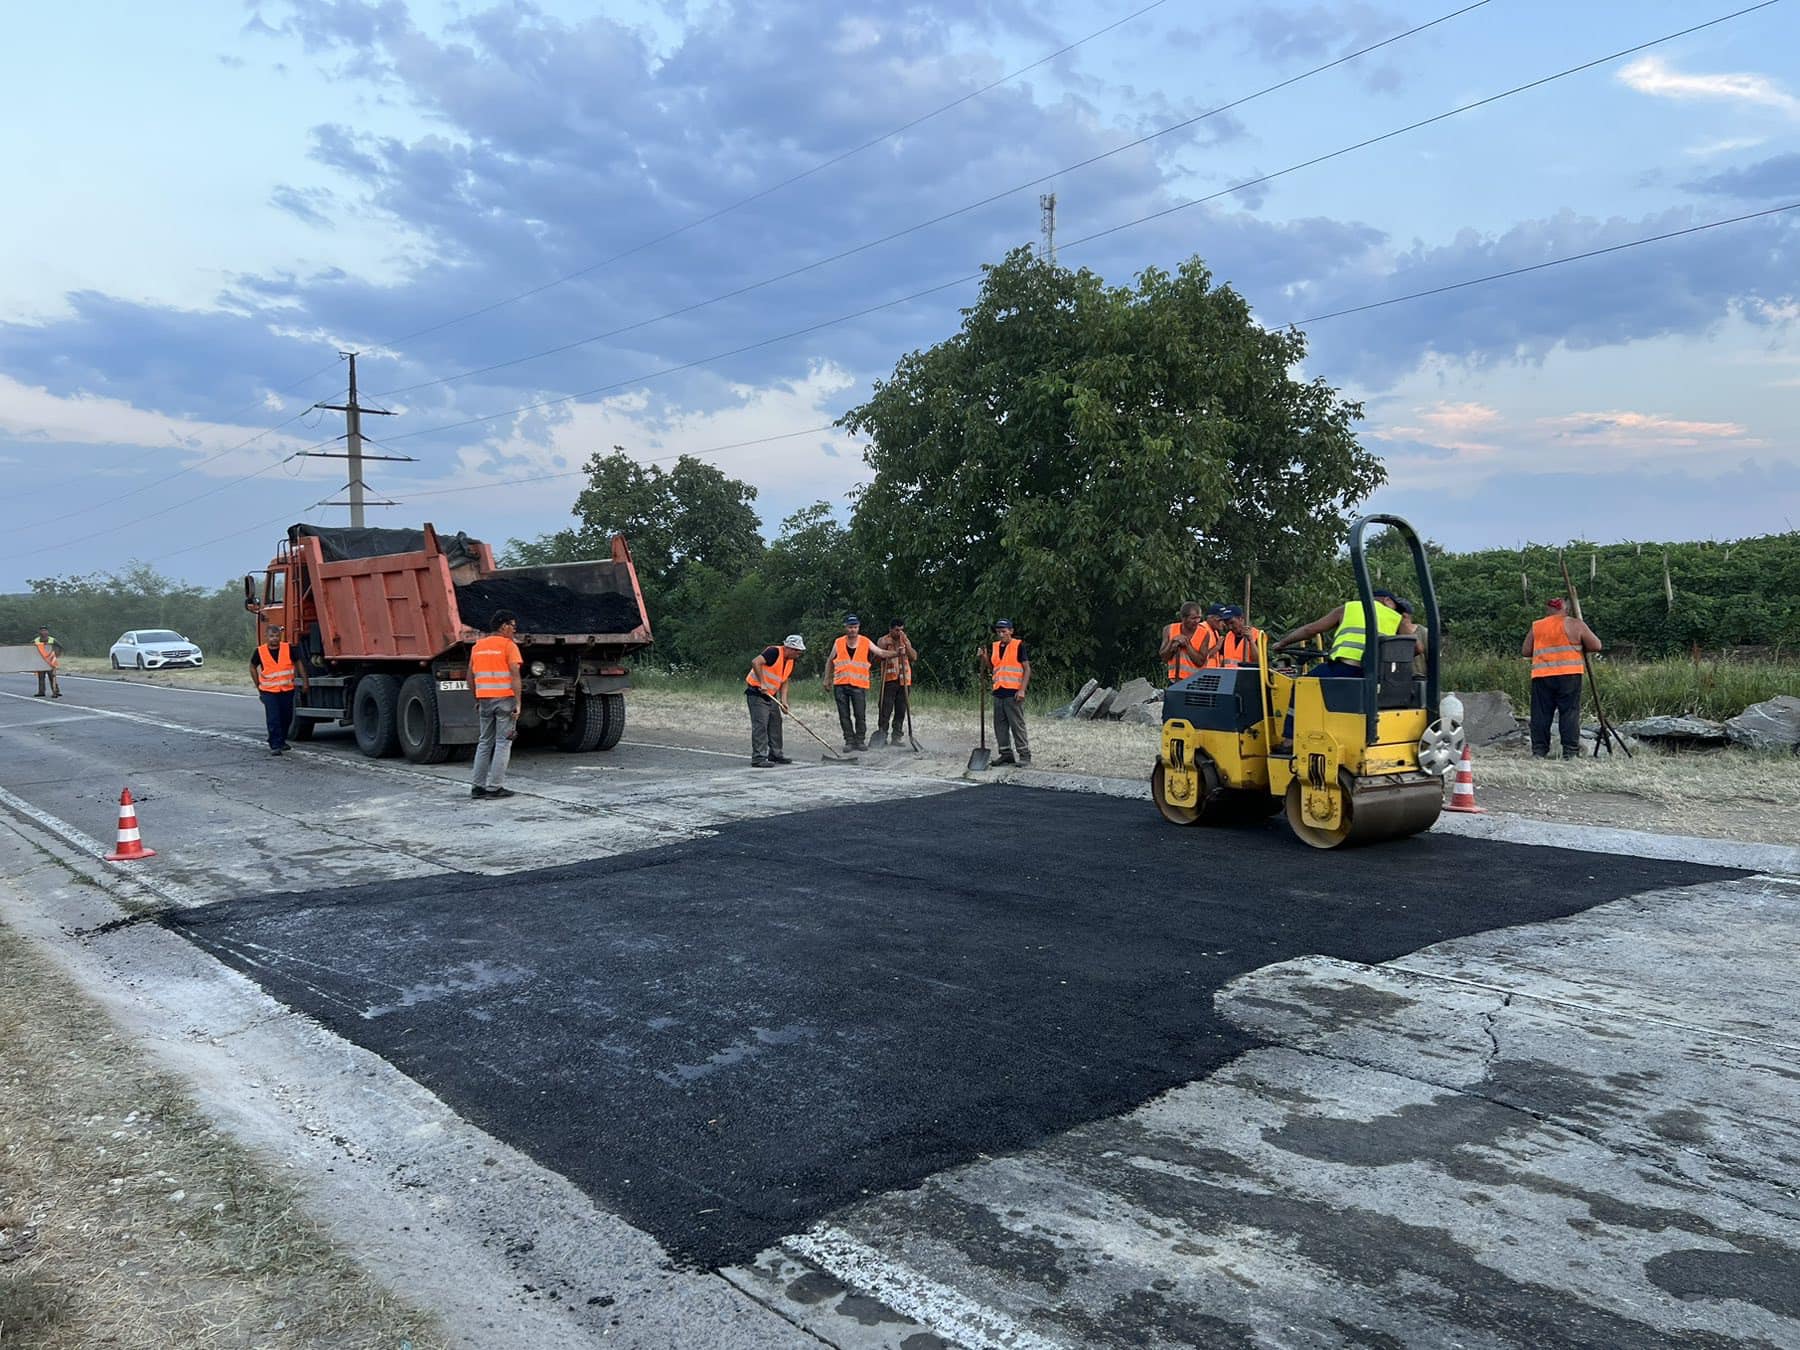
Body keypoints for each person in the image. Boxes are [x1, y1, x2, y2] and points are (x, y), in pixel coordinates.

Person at [1270, 588, 1409, 749]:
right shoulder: (1397, 619)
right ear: (1387, 600)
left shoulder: (1348, 608)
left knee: (1301, 686)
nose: (1395, 610)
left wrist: (1282, 643)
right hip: (1377, 676)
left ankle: (1289, 740)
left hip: (1345, 669)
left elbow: (1311, 630)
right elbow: (1417, 647)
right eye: (1395, 605)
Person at [1522, 597, 1601, 759]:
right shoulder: (1575, 624)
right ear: (1565, 609)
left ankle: (1539, 751)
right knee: (1569, 713)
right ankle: (1570, 752)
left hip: (1542, 675)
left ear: (1548, 609)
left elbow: (1526, 651)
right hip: (1569, 675)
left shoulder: (1537, 626)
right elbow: (1596, 645)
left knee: (1541, 714)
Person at [823, 614, 898, 752]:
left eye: (855, 627)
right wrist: (827, 679)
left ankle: (860, 740)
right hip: (840, 683)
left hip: (859, 684)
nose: (853, 630)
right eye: (850, 627)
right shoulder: (838, 642)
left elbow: (881, 652)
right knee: (844, 715)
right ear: (845, 627)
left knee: (860, 714)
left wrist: (896, 653)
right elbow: (830, 660)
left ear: (859, 627)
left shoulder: (865, 641)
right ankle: (849, 741)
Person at [470, 610, 524, 799]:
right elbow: (515, 675)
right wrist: (518, 702)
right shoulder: (509, 646)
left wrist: (476, 699)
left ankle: (477, 787)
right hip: (505, 701)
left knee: (484, 742)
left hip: (484, 700)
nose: (514, 630)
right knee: (503, 743)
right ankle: (495, 788)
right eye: (513, 626)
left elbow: (470, 675)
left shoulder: (478, 646)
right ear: (504, 626)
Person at [746, 634, 805, 767]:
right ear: (789, 648)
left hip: (772, 695)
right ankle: (759, 758)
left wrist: (784, 701)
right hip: (757, 693)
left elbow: (784, 681)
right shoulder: (773, 652)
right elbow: (756, 662)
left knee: (775, 723)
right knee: (761, 725)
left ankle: (776, 754)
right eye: (797, 651)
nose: (799, 654)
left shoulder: (790, 661)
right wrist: (762, 683)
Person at [981, 618, 1032, 767]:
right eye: (998, 632)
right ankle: (1006, 754)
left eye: (1004, 631)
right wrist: (984, 658)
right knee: (1000, 726)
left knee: (1017, 725)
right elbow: (994, 668)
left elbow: (1027, 668)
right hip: (998, 691)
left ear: (1011, 631)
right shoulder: (995, 647)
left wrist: (1022, 689)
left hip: (1013, 692)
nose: (1001, 634)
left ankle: (1024, 754)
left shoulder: (1018, 645)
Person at [250, 624, 303, 755]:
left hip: (286, 689)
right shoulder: (260, 651)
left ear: (280, 636)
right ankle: (275, 745)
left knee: (286, 717)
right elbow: (252, 666)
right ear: (266, 637)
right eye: (271, 636)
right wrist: (258, 684)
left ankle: (282, 740)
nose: (274, 638)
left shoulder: (288, 648)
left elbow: (298, 663)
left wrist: (304, 681)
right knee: (273, 718)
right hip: (268, 691)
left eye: (276, 636)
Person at [876, 619, 918, 747]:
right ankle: (882, 735)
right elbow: (877, 657)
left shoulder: (905, 640)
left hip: (904, 680)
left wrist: (907, 646)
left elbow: (914, 657)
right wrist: (890, 650)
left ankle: (897, 736)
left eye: (901, 629)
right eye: (897, 630)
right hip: (889, 680)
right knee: (885, 709)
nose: (899, 632)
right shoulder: (883, 640)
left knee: (901, 709)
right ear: (891, 629)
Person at [1158, 603, 1216, 684]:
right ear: (1183, 618)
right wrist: (1172, 643)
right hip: (1174, 681)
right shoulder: (1169, 629)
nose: (1197, 621)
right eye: (1193, 618)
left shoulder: (1204, 633)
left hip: (1196, 682)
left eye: (1199, 618)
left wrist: (1187, 644)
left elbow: (1200, 662)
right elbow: (1164, 657)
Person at [32, 626, 62, 699]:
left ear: (47, 632)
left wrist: (57, 655)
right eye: (42, 630)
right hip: (40, 662)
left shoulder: (52, 640)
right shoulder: (36, 641)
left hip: (50, 662)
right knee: (41, 678)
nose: (43, 632)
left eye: (45, 630)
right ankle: (41, 692)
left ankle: (56, 691)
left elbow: (60, 646)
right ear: (39, 632)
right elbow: (30, 649)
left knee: (52, 677)